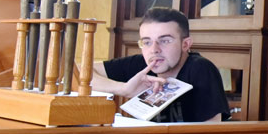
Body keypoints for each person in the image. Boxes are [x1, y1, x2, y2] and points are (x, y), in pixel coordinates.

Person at [92, 7, 230, 122]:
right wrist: (123, 89)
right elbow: (79, 73)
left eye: (164, 41)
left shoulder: (200, 69)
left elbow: (210, 132)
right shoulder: (142, 64)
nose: (154, 49)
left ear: (185, 44)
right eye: (147, 42)